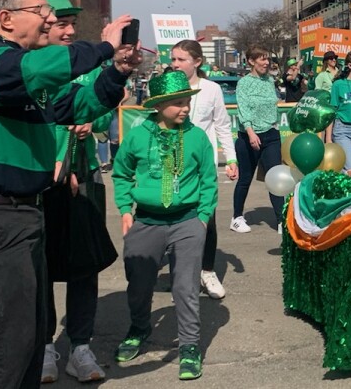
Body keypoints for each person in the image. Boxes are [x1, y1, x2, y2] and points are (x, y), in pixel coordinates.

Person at [0, 0, 138, 389]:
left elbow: (75, 106)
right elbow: (39, 71)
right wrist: (100, 48)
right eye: (42, 11)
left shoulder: (22, 73)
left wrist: (115, 72)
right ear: (5, 18)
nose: (51, 19)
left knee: (26, 338)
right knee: (4, 346)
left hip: (18, 214)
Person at [112, 71, 218, 380]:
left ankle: (188, 346)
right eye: (177, 103)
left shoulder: (197, 137)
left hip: (187, 221)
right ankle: (139, 327)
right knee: (139, 282)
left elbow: (208, 180)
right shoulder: (137, 135)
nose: (185, 108)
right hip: (146, 219)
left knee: (185, 287)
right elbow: (121, 172)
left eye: (187, 102)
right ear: (158, 105)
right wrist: (124, 209)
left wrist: (203, 217)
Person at [39, 0, 115, 384]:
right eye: (61, 23)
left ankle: (80, 346)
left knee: (84, 263)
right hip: (38, 182)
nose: (69, 30)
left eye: (72, 23)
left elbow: (104, 111)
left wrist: (92, 122)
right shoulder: (26, 68)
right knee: (42, 265)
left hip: (84, 175)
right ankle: (46, 346)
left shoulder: (87, 66)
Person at [170, 39, 237, 298]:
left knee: (206, 218)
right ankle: (181, 275)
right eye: (173, 59)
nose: (174, 64)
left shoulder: (211, 89)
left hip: (203, 165)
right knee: (174, 218)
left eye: (180, 60)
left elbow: (222, 125)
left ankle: (207, 271)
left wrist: (231, 159)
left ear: (196, 62)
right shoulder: (167, 87)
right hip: (172, 164)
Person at [229, 47, 284, 232]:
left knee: (275, 179)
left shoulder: (270, 80)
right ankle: (236, 217)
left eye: (267, 59)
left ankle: (281, 220)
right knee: (245, 178)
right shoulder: (244, 83)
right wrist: (251, 132)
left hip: (271, 134)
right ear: (251, 61)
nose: (266, 63)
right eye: (262, 59)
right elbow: (243, 109)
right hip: (249, 136)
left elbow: (273, 105)